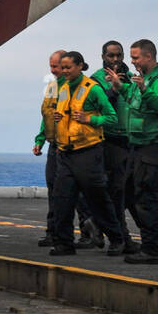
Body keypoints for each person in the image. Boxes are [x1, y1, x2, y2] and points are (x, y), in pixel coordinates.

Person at [48, 51, 125, 256]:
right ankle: (64, 243)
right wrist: (58, 116)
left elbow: (111, 118)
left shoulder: (93, 89)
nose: (64, 71)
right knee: (62, 199)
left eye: (68, 67)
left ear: (80, 66)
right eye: (62, 68)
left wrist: (89, 120)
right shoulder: (62, 88)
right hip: (65, 152)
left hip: (88, 153)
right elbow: (64, 114)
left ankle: (117, 239)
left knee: (98, 199)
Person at [33, 49, 95, 247]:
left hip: (71, 145)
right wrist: (40, 139)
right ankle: (53, 232)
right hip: (54, 144)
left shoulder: (75, 88)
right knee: (54, 189)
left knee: (78, 192)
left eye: (57, 67)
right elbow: (47, 115)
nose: (53, 70)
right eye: (51, 66)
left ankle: (88, 232)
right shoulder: (52, 86)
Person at [123, 39, 158, 264]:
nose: (132, 62)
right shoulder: (139, 80)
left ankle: (151, 249)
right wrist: (120, 87)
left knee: (146, 196)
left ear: (149, 56)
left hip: (153, 145)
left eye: (135, 58)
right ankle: (156, 239)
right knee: (128, 193)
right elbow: (134, 101)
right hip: (138, 145)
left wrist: (145, 89)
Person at [90, 40, 138, 255]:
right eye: (111, 56)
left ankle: (98, 223)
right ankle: (121, 238)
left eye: (119, 55)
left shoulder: (130, 75)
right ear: (103, 56)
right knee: (117, 191)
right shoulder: (97, 80)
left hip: (132, 139)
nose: (116, 59)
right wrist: (113, 87)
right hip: (111, 141)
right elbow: (100, 106)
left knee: (130, 191)